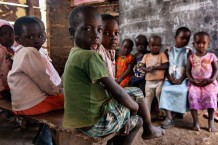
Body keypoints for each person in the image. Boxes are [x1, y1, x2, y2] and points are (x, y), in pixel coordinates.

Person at [64, 6, 142, 145]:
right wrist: (134, 109)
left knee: (132, 94)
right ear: (72, 32)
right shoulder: (90, 56)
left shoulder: (74, 53)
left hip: (78, 120)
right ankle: (147, 129)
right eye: (87, 29)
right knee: (137, 119)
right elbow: (117, 92)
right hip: (93, 124)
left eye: (99, 30)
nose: (95, 35)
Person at [93, 14, 165, 140]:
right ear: (98, 33)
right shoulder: (98, 54)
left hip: (106, 97)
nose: (114, 37)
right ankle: (148, 129)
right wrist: (126, 111)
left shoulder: (110, 52)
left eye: (116, 33)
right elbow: (110, 91)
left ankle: (149, 129)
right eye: (107, 33)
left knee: (136, 94)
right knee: (136, 118)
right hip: (101, 102)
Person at [7, 16, 64, 115]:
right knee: (73, 100)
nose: (37, 40)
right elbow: (41, 77)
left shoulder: (19, 53)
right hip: (32, 105)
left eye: (40, 35)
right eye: (30, 37)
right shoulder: (29, 51)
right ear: (18, 39)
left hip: (21, 105)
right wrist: (55, 92)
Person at [159, 27, 192, 129]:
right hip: (169, 79)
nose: (185, 40)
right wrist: (169, 78)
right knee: (165, 89)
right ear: (175, 37)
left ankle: (179, 111)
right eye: (182, 38)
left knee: (183, 91)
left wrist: (181, 80)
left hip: (183, 79)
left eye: (187, 38)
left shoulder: (188, 51)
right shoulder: (168, 51)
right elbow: (165, 67)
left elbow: (188, 68)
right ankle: (169, 118)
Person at [186, 32, 218, 132]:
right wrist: (191, 80)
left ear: (208, 43)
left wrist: (212, 79)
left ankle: (211, 121)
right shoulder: (191, 57)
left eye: (204, 43)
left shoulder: (211, 56)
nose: (201, 45)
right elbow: (187, 70)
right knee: (192, 96)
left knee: (211, 95)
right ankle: (195, 121)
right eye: (198, 42)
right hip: (195, 83)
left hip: (209, 83)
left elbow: (216, 69)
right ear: (193, 44)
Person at [141, 35, 168, 111]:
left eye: (157, 45)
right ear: (149, 46)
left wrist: (154, 67)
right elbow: (141, 66)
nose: (155, 47)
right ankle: (146, 114)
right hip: (149, 81)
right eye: (153, 45)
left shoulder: (162, 55)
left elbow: (166, 65)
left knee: (160, 95)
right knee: (148, 97)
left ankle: (162, 112)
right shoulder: (146, 56)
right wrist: (146, 69)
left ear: (160, 46)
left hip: (159, 81)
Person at [0, 19, 14, 100]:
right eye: (3, 34)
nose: (8, 37)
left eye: (11, 34)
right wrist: (2, 90)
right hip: (2, 90)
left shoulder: (13, 50)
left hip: (9, 86)